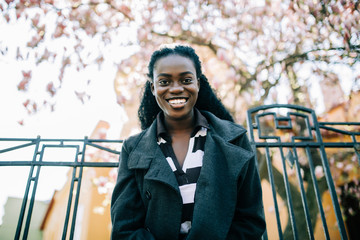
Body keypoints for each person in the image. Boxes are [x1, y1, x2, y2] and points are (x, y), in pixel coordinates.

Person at [111, 45, 266, 240]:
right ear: (153, 88)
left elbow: (251, 220)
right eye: (164, 81)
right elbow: (124, 228)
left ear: (198, 84)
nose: (176, 88)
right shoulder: (133, 149)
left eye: (186, 80)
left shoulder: (235, 139)